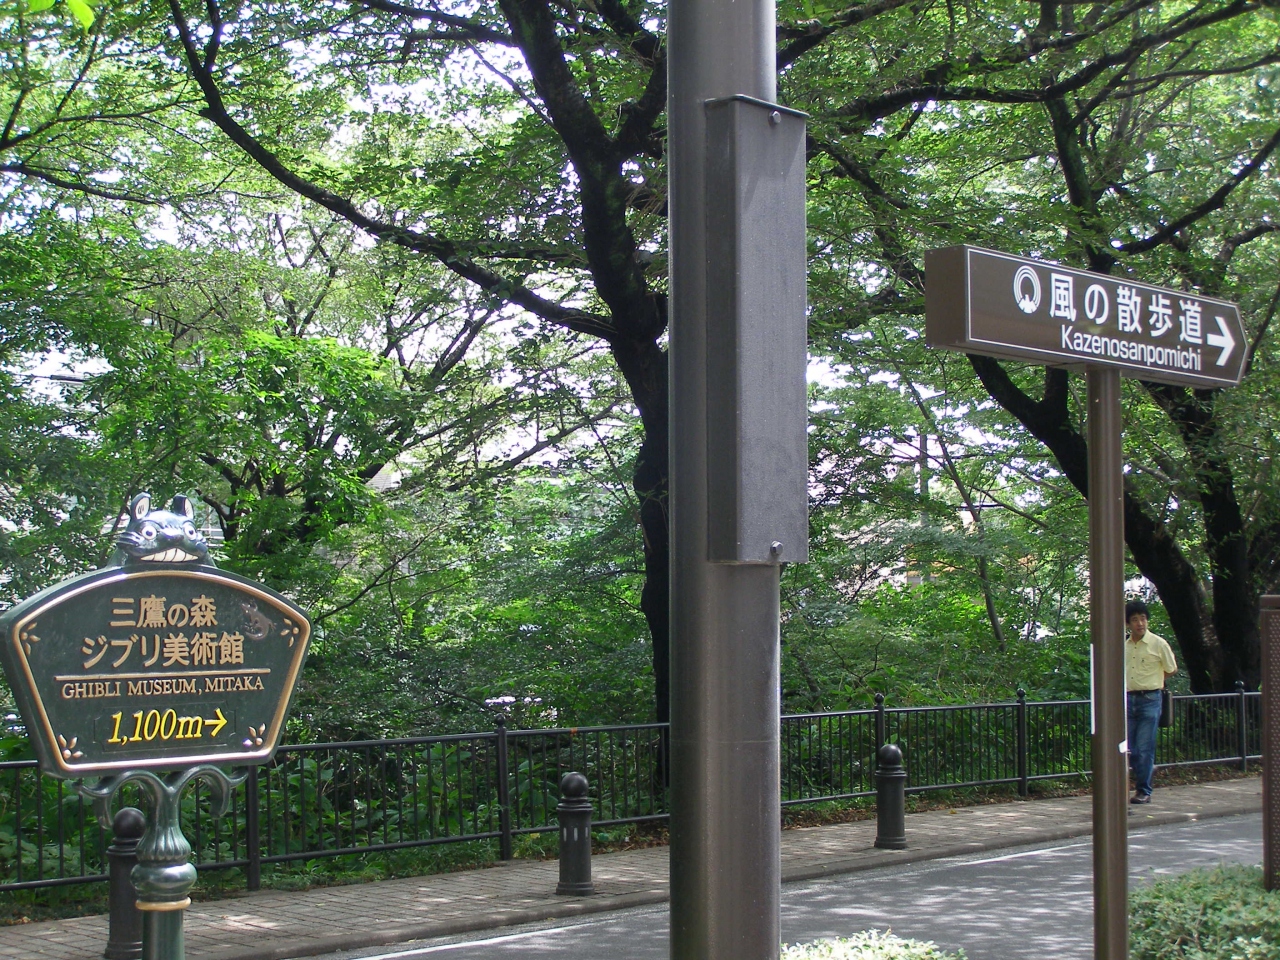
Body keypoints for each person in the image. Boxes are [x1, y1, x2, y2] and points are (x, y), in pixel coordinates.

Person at [1125, 599, 1178, 804]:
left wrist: (1155, 679)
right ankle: (1146, 771)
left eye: (1143, 618)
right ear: (1128, 623)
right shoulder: (1125, 646)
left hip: (1150, 699)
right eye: (1135, 619)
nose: (1140, 623)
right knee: (1131, 749)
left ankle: (1143, 790)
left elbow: (1171, 668)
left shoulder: (1158, 643)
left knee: (1144, 747)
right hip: (1128, 700)